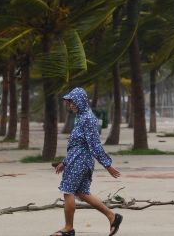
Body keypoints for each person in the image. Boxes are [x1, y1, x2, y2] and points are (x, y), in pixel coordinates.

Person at [50, 87, 123, 236]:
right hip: (78, 160)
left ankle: (68, 228)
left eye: (73, 102)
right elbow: (77, 144)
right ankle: (112, 217)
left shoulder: (87, 119)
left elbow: (95, 144)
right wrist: (65, 162)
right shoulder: (82, 117)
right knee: (82, 193)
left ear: (81, 101)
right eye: (69, 102)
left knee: (67, 190)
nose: (70, 105)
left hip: (80, 161)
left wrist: (107, 165)